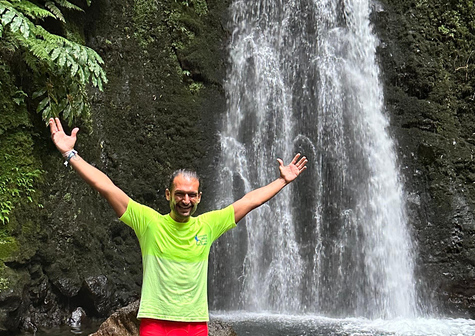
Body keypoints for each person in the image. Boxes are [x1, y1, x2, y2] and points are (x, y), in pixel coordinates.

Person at [48, 117, 308, 336]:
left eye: (192, 195)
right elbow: (105, 187)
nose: (186, 200)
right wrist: (70, 154)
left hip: (194, 324)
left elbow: (248, 201)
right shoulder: (148, 222)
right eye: (180, 194)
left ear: (199, 198)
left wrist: (282, 181)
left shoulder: (208, 225)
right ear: (168, 195)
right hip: (155, 323)